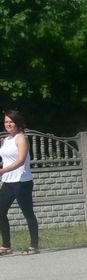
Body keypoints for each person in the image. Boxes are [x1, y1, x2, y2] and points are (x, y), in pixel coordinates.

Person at [1, 110, 39, 256]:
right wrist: (3, 171)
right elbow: (6, 159)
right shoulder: (6, 140)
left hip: (22, 181)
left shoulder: (21, 138)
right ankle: (6, 246)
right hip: (8, 181)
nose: (8, 124)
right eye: (6, 122)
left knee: (28, 213)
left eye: (11, 121)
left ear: (17, 123)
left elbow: (21, 160)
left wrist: (2, 171)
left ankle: (34, 245)